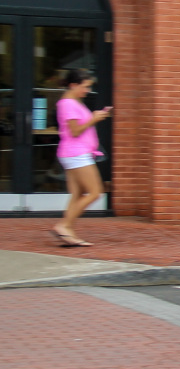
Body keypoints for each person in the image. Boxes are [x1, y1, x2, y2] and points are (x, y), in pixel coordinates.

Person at [52, 69, 110, 247]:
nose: (87, 90)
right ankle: (64, 225)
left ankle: (67, 232)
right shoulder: (68, 103)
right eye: (85, 87)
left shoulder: (72, 101)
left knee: (78, 193)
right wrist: (94, 119)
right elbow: (75, 131)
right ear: (73, 85)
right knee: (95, 192)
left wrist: (95, 117)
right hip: (76, 153)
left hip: (74, 153)